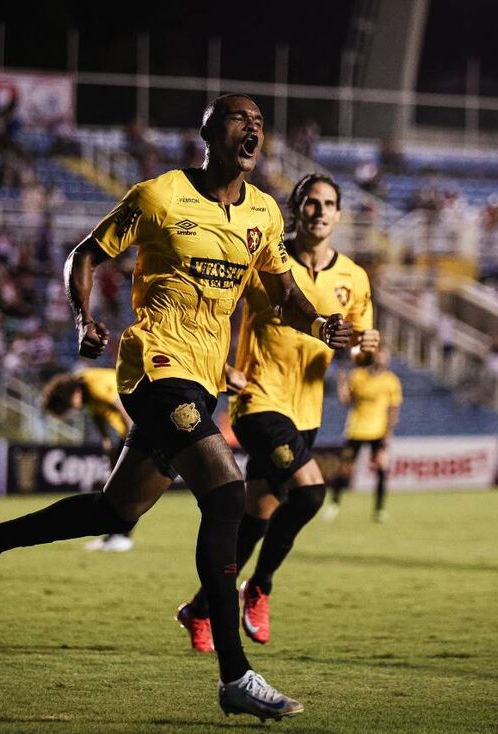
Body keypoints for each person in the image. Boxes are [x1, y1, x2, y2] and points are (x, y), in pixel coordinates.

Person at [0, 93, 353, 721]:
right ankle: (235, 676)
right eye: (240, 118)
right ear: (208, 131)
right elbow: (85, 255)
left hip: (203, 379)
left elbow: (283, 288)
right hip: (153, 367)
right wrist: (84, 319)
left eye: (259, 122)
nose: (254, 127)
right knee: (229, 493)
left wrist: (318, 323)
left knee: (114, 510)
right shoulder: (158, 197)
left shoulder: (263, 211)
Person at [176, 174, 377, 652]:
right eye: (312, 203)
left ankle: (199, 609)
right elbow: (206, 311)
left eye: (330, 204)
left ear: (340, 215)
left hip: (307, 412)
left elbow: (360, 349)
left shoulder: (354, 277)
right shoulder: (265, 260)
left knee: (256, 519)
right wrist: (220, 367)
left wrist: (367, 347)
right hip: (258, 402)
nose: (321, 211)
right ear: (296, 208)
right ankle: (260, 587)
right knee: (311, 493)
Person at [41, 367, 136, 552]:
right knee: (115, 486)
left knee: (128, 487)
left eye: (68, 406)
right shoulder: (84, 389)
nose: (72, 409)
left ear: (73, 394)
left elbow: (125, 408)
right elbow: (96, 413)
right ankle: (113, 535)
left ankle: (123, 537)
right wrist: (105, 438)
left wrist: (134, 441)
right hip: (125, 434)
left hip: (135, 430)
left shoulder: (96, 385)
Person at [325, 346, 403, 523]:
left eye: (384, 358)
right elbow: (347, 402)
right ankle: (334, 504)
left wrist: (388, 432)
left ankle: (379, 510)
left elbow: (394, 409)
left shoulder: (391, 381)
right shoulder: (358, 376)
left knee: (382, 468)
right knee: (345, 471)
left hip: (378, 431)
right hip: (356, 429)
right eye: (379, 357)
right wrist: (341, 384)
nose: (381, 361)